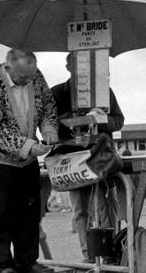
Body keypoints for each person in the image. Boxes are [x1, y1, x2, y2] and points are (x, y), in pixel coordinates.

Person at [0, 48, 58, 273]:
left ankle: (27, 262)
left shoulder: (35, 75)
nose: (29, 80)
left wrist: (48, 128)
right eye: (23, 77)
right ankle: (2, 265)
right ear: (8, 66)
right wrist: (28, 145)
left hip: (25, 158)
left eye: (31, 75)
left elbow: (48, 106)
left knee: (29, 212)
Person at [51, 52, 126, 261]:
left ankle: (110, 254)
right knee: (80, 210)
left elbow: (118, 120)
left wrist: (100, 120)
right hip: (71, 159)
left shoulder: (104, 92)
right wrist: (74, 120)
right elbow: (48, 124)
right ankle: (89, 256)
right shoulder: (57, 93)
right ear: (68, 67)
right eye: (77, 66)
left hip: (99, 157)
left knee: (105, 208)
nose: (82, 71)